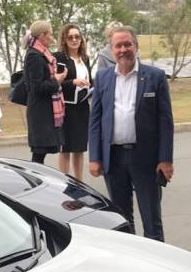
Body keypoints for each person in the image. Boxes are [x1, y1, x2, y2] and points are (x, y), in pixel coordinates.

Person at [88, 26, 174, 242]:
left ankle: (157, 267)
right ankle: (132, 265)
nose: (123, 49)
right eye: (118, 45)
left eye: (128, 44)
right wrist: (95, 157)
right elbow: (95, 121)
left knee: (151, 220)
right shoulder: (102, 78)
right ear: (111, 50)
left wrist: (165, 159)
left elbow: (165, 122)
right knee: (121, 220)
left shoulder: (155, 77)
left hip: (145, 158)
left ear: (136, 46)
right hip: (113, 159)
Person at [23, 20, 66, 165]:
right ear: (42, 35)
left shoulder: (40, 52)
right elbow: (37, 87)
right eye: (51, 35)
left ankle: (35, 182)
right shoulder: (34, 55)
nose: (52, 38)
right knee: (39, 154)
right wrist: (57, 80)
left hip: (44, 110)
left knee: (40, 154)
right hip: (40, 112)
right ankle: (34, 184)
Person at [56, 23, 93, 180]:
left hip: (83, 106)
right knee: (65, 148)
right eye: (70, 37)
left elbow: (89, 79)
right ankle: (65, 182)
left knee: (79, 147)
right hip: (66, 108)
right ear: (64, 39)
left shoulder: (85, 58)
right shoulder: (59, 58)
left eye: (77, 36)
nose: (74, 40)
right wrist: (72, 82)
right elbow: (54, 82)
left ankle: (79, 182)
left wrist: (90, 84)